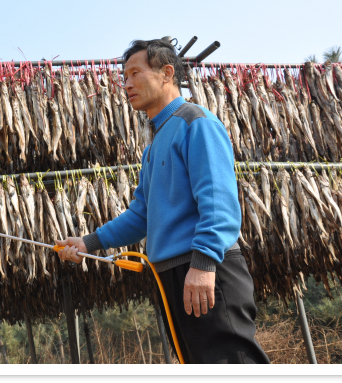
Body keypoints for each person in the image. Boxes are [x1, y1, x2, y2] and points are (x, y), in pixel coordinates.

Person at [56, 39, 270, 364]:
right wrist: (89, 242)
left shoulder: (196, 122)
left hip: (204, 269)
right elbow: (141, 216)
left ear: (167, 73)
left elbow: (219, 204)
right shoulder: (154, 146)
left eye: (135, 73)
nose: (126, 84)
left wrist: (203, 264)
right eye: (124, 77)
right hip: (173, 275)